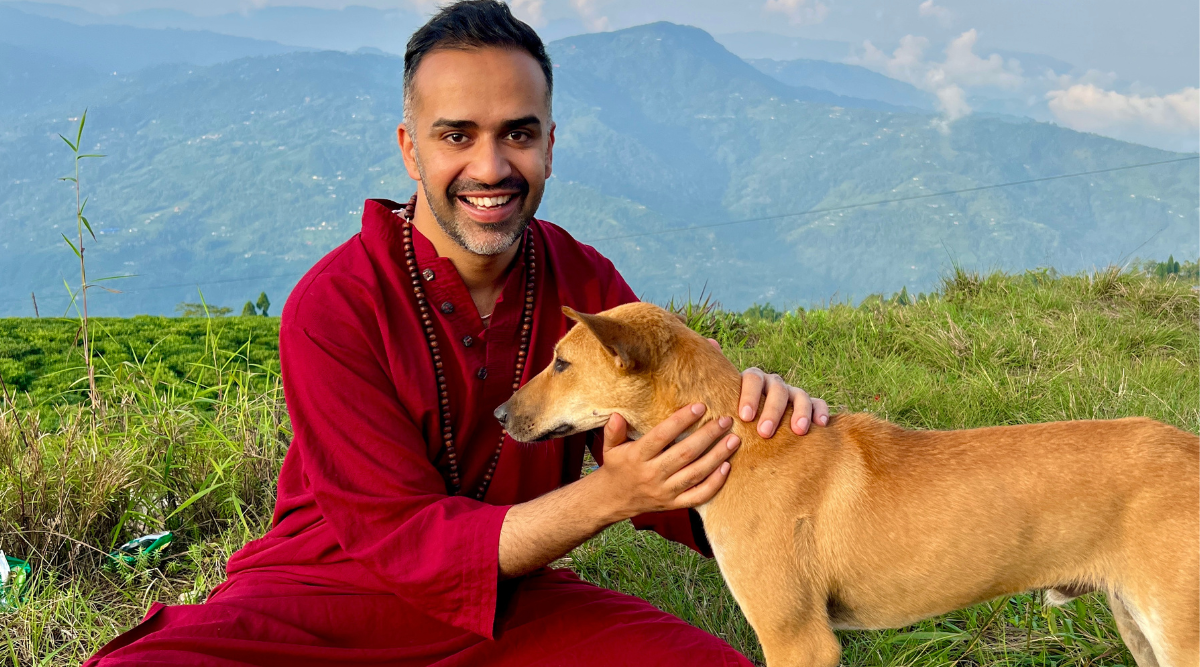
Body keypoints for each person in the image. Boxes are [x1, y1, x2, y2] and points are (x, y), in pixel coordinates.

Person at [84, 2, 829, 665]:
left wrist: (759, 431)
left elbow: (667, 459)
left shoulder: (585, 282)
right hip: (323, 608)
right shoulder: (335, 303)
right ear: (411, 148)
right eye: (456, 135)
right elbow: (400, 541)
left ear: (549, 144)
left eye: (518, 134)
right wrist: (608, 495)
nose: (491, 166)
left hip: (508, 611)